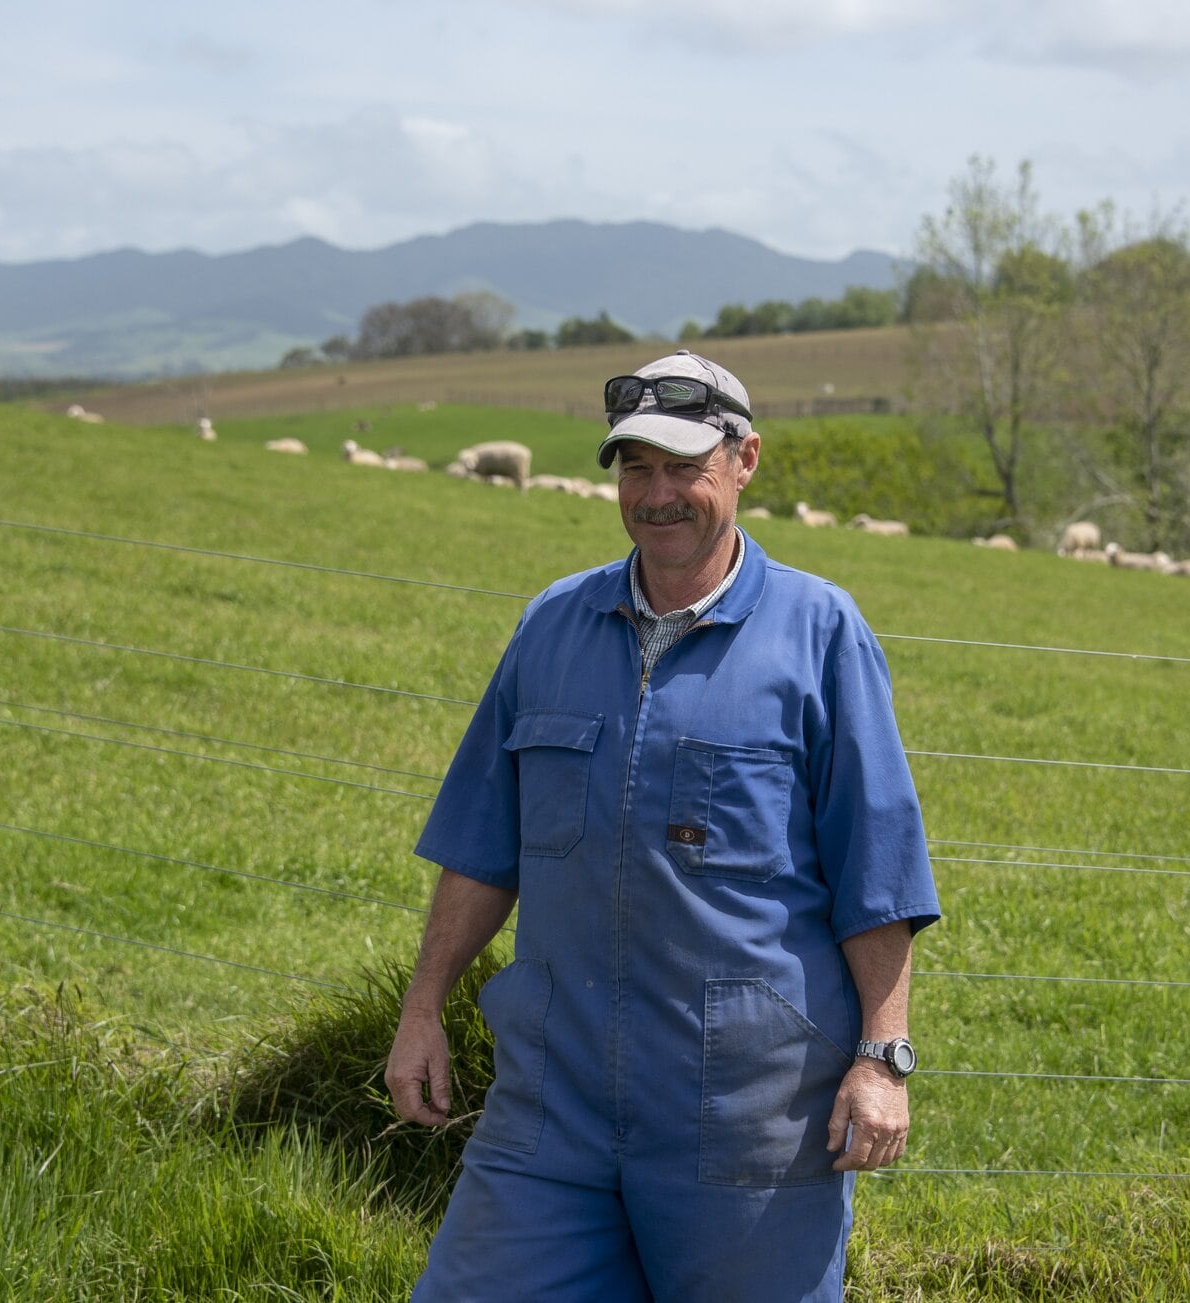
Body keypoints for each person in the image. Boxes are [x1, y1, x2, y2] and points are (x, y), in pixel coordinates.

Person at [385, 350, 940, 1301]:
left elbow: (877, 872)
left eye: (684, 464)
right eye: (635, 466)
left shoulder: (820, 634)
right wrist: (422, 1005)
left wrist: (882, 1059)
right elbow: (485, 844)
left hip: (746, 1124)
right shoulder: (553, 625)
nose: (658, 493)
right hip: (550, 1114)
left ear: (745, 460)